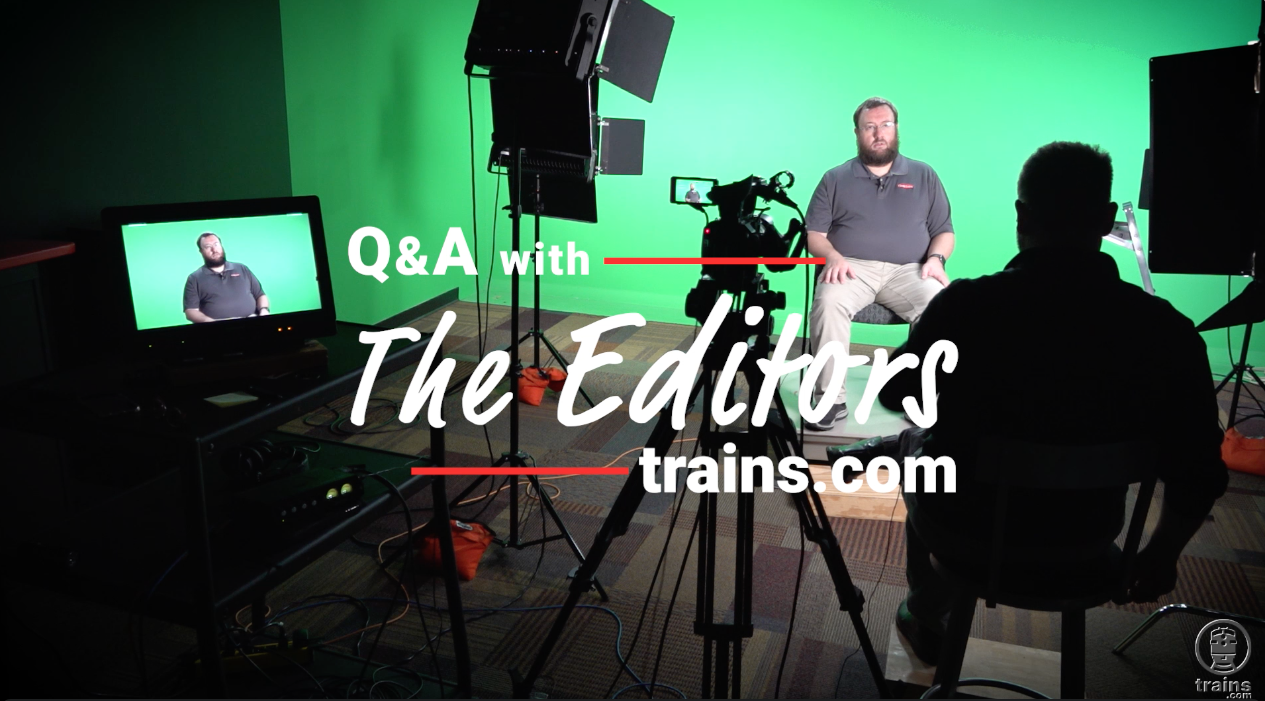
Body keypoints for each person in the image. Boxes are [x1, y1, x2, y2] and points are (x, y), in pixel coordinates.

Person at [877, 141, 1229, 665]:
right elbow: (1200, 466)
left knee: (913, 446)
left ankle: (926, 608)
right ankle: (926, 608)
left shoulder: (967, 307)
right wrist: (1158, 556)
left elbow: (895, 391)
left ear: (1022, 215)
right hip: (1086, 545)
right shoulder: (1167, 334)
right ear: (1107, 218)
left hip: (968, 534)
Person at [804, 97, 955, 429]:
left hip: (910, 270)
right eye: (870, 127)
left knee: (939, 304)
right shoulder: (835, 178)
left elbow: (944, 231)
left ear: (896, 129)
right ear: (857, 132)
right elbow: (814, 234)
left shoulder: (924, 174)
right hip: (852, 268)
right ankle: (830, 398)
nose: (878, 133)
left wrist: (936, 259)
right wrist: (832, 256)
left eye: (885, 125)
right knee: (828, 302)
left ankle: (920, 397)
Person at [183, 232, 269, 323]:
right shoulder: (194, 278)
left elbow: (260, 295)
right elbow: (190, 311)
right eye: (208, 246)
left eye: (216, 244)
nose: (214, 249)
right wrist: (210, 323)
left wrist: (264, 310)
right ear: (201, 251)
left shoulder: (242, 268)